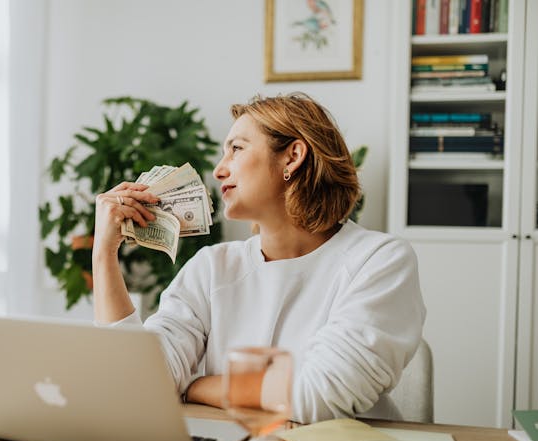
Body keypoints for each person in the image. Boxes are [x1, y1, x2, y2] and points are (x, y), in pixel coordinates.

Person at [92, 92, 426, 423]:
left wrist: (196, 386)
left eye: (236, 149)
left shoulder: (380, 261)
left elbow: (317, 399)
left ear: (292, 156)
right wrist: (104, 254)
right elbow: (140, 381)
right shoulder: (212, 268)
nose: (219, 170)